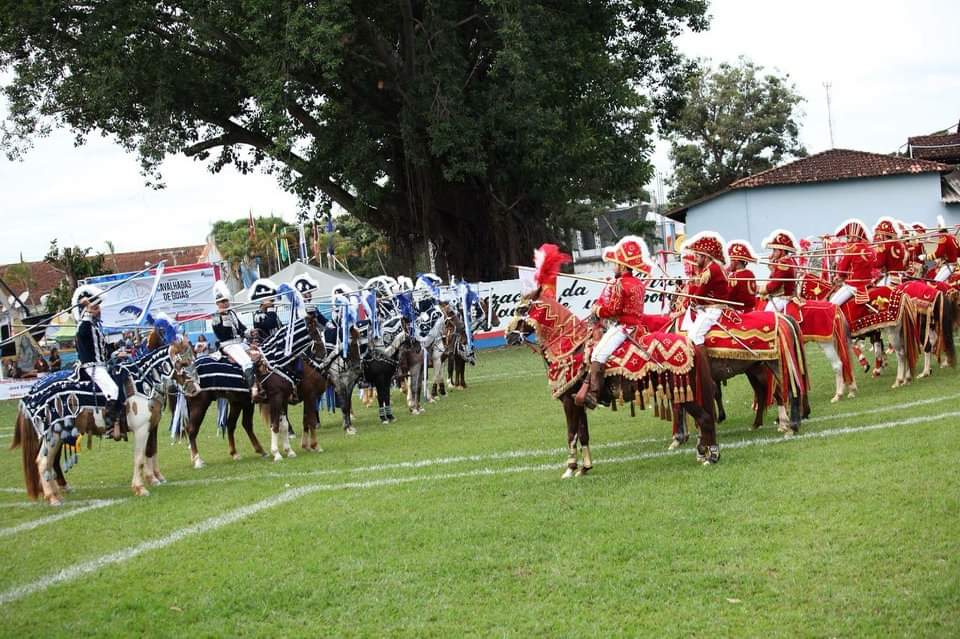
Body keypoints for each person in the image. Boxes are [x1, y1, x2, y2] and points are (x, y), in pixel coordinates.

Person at [577, 235, 650, 408]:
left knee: (598, 353)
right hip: (636, 326)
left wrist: (597, 310)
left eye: (615, 264)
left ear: (623, 266)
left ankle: (594, 394)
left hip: (624, 327)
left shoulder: (620, 284)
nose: (613, 267)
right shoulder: (638, 283)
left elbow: (613, 310)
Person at [73, 284, 123, 439]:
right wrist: (87, 307)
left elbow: (102, 349)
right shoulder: (84, 325)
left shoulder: (94, 326)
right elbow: (82, 333)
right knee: (113, 390)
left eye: (98, 308)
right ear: (87, 311)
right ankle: (109, 427)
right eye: (95, 308)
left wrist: (117, 348)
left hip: (101, 365)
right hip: (92, 368)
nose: (99, 311)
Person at [682, 231, 730, 345]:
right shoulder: (713, 268)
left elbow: (699, 295)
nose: (696, 259)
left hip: (713, 309)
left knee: (694, 336)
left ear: (705, 257)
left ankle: (703, 364)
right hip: (709, 308)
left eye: (697, 256)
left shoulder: (710, 270)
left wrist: (689, 302)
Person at [211, 280, 256, 393]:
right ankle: (251, 389)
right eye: (222, 301)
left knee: (259, 354)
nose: (225, 303)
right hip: (229, 345)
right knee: (247, 362)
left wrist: (250, 333)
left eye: (226, 300)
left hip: (240, 343)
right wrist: (224, 316)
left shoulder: (232, 313)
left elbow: (241, 328)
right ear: (217, 303)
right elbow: (223, 334)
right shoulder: (216, 317)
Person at [830, 219, 876, 307]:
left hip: (853, 285)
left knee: (832, 305)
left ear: (854, 237)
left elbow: (842, 270)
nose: (848, 240)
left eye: (848, 237)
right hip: (868, 283)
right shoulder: (870, 249)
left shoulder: (852, 249)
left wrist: (838, 277)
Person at [759, 229, 799, 312]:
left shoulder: (783, 263)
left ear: (782, 251)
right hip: (780, 297)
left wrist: (759, 289)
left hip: (782, 298)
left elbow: (774, 286)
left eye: (775, 250)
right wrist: (773, 270)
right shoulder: (787, 261)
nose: (772, 254)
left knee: (766, 315)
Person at [872, 217, 908, 286]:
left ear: (882, 235)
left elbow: (878, 264)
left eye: (879, 235)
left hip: (891, 278)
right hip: (901, 276)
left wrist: (869, 260)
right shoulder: (901, 244)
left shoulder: (884, 246)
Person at [726, 239, 759, 311]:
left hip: (738, 311)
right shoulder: (750, 273)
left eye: (731, 261)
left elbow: (728, 296)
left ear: (736, 262)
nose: (729, 263)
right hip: (751, 309)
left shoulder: (734, 276)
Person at [932, 215, 959, 282]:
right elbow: (958, 253)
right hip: (955, 265)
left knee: (936, 282)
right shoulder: (952, 237)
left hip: (948, 266)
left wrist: (925, 257)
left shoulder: (943, 237)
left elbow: (938, 254)